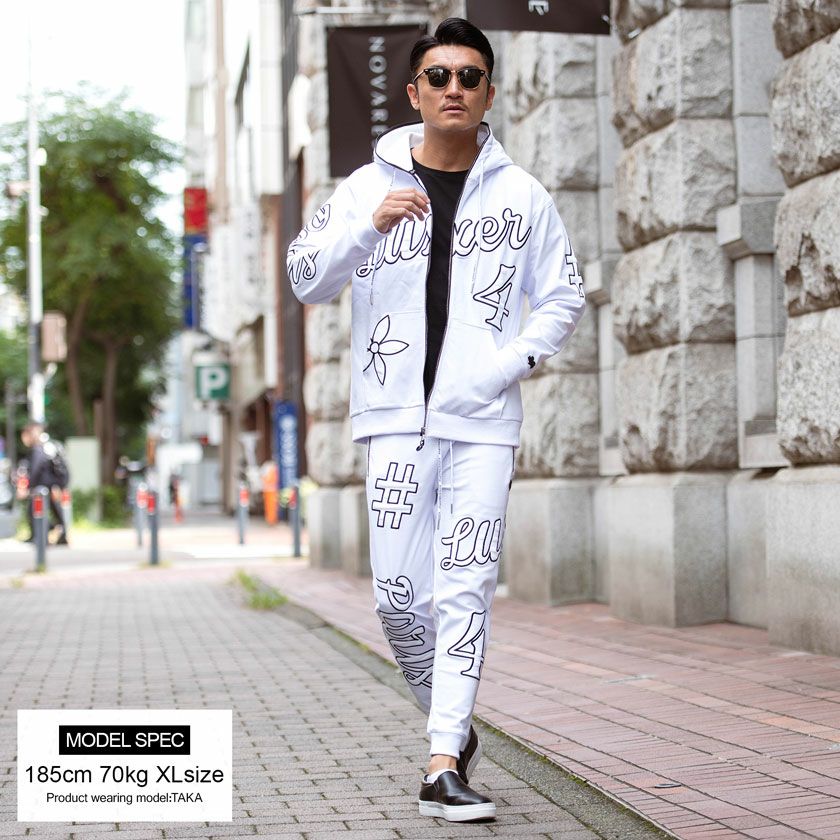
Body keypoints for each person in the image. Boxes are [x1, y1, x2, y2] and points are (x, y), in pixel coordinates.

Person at [287, 17, 585, 822]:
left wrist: (499, 370)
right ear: (414, 91)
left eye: (470, 76)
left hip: (483, 424)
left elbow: (562, 298)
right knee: (396, 597)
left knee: (466, 588)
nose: (455, 88)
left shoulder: (523, 196)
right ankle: (450, 718)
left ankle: (443, 758)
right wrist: (366, 228)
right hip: (392, 421)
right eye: (440, 76)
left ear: (489, 93)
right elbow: (305, 278)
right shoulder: (366, 186)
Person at [20, 422, 68, 546]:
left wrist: (27, 488)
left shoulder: (38, 449)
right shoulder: (46, 447)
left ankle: (42, 536)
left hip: (45, 487)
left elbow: (35, 470)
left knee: (36, 511)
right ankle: (56, 535)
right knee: (54, 512)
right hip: (52, 485)